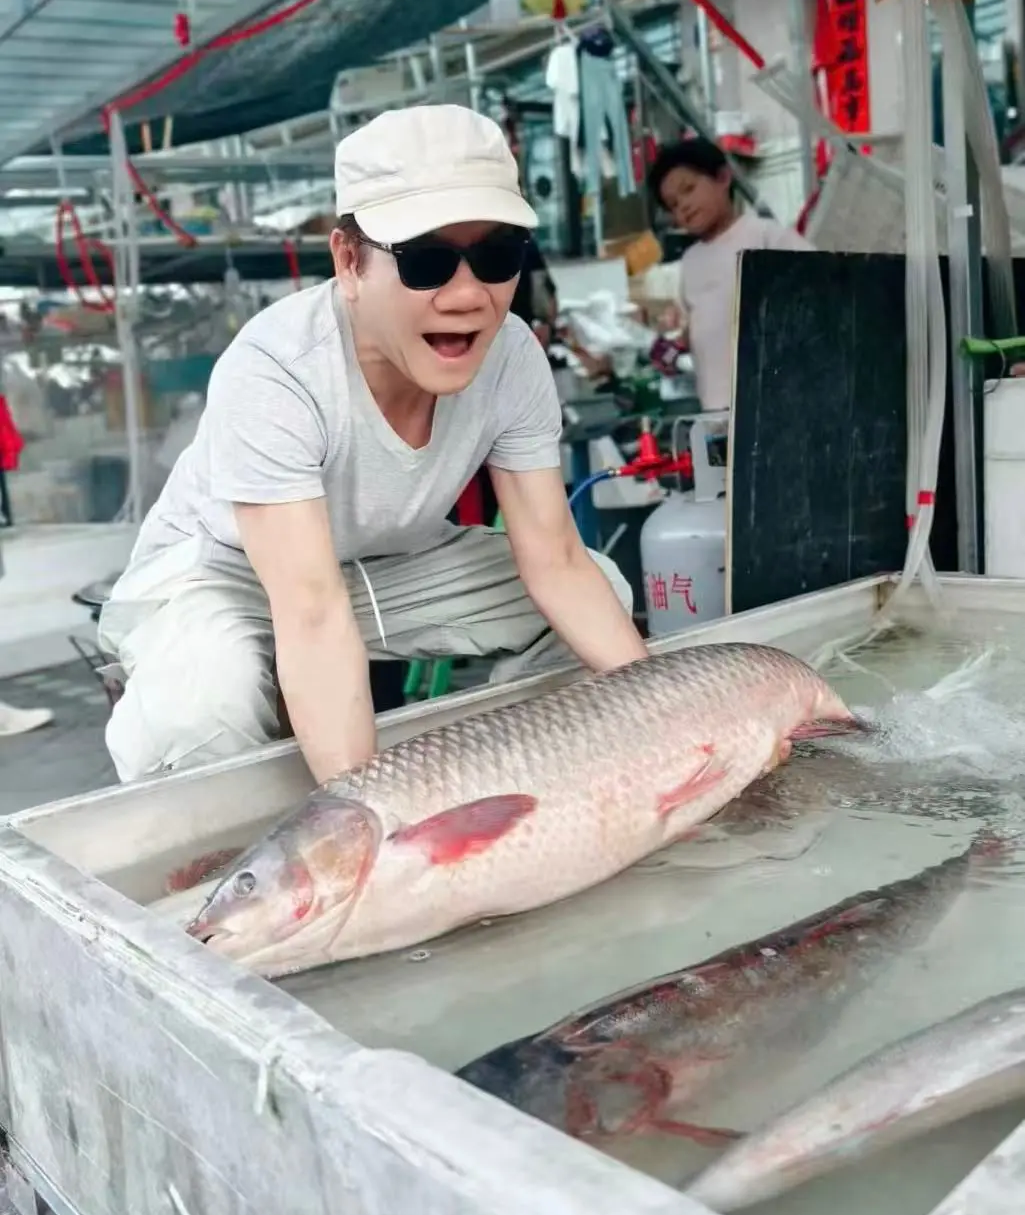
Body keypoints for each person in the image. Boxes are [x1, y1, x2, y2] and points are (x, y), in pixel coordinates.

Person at [98, 103, 646, 786]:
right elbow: (310, 608)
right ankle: (257, 848)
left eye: (497, 254)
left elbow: (557, 561)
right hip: (228, 574)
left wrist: (668, 718)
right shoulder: (279, 367)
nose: (468, 294)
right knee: (203, 705)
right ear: (349, 262)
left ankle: (518, 778)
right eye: (427, 262)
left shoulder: (512, 357)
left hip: (386, 567)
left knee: (603, 593)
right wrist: (370, 827)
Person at [648, 138, 814, 414]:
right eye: (674, 205)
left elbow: (821, 282)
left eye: (688, 189)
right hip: (715, 409)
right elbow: (700, 321)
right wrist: (677, 343)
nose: (684, 207)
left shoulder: (764, 235)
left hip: (773, 403)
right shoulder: (690, 262)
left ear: (723, 177)